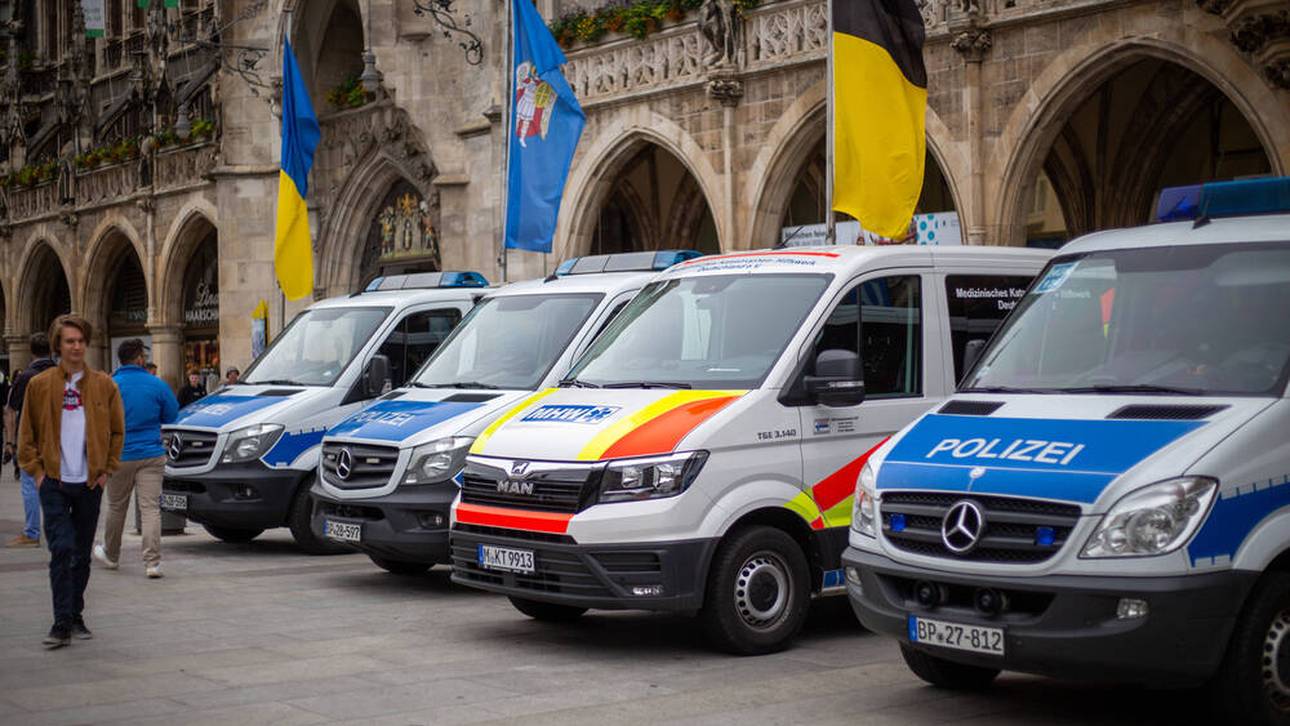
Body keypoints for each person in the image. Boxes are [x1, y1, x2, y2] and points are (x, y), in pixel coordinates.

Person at [18, 315, 124, 648]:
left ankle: (75, 613)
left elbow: (117, 431)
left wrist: (106, 471)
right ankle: (61, 622)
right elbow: (26, 436)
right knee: (61, 547)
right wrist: (37, 474)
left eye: (80, 341)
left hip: (90, 482)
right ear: (58, 345)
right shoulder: (40, 385)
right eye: (69, 341)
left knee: (81, 553)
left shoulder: (104, 385)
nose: (76, 347)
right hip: (53, 480)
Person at [94, 339, 178, 579]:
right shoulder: (156, 384)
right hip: (151, 453)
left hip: (120, 454)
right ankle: (152, 563)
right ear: (140, 358)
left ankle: (111, 555)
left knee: (116, 507)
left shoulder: (110, 385)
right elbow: (172, 414)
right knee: (150, 508)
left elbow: (99, 420)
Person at [5, 334, 57, 548]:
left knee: (29, 484)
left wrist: (10, 442)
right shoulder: (61, 374)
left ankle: (32, 532)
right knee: (58, 484)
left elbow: (11, 411)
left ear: (31, 350)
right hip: (58, 439)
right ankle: (59, 529)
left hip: (31, 439)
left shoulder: (25, 377)